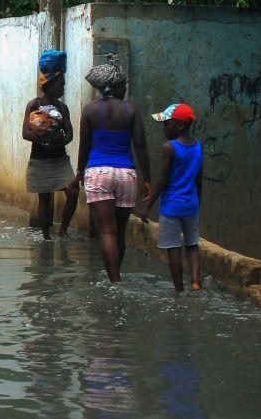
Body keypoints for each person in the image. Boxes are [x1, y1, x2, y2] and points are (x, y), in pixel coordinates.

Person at [73, 56, 151, 282]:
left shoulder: (89, 111)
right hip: (126, 174)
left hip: (98, 173)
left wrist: (79, 172)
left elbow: (85, 145)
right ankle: (117, 275)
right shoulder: (131, 110)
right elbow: (140, 145)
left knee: (106, 231)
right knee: (119, 231)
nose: (125, 88)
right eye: (123, 85)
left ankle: (113, 281)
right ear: (116, 86)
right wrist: (147, 178)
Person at [143, 103, 204, 292]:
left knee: (173, 248)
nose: (164, 128)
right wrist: (197, 203)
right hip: (190, 204)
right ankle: (195, 282)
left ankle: (179, 289)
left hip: (171, 206)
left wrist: (148, 205)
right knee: (192, 244)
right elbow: (199, 179)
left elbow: (163, 180)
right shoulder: (198, 147)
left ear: (179, 126)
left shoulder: (169, 148)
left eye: (167, 124)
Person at [22, 67, 78, 239]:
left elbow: (69, 133)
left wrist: (58, 142)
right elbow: (25, 133)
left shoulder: (62, 107)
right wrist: (44, 141)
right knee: (45, 199)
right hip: (40, 159)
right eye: (60, 85)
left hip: (59, 159)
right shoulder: (34, 105)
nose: (62, 89)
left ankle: (63, 230)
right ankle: (46, 236)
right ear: (49, 85)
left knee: (73, 192)